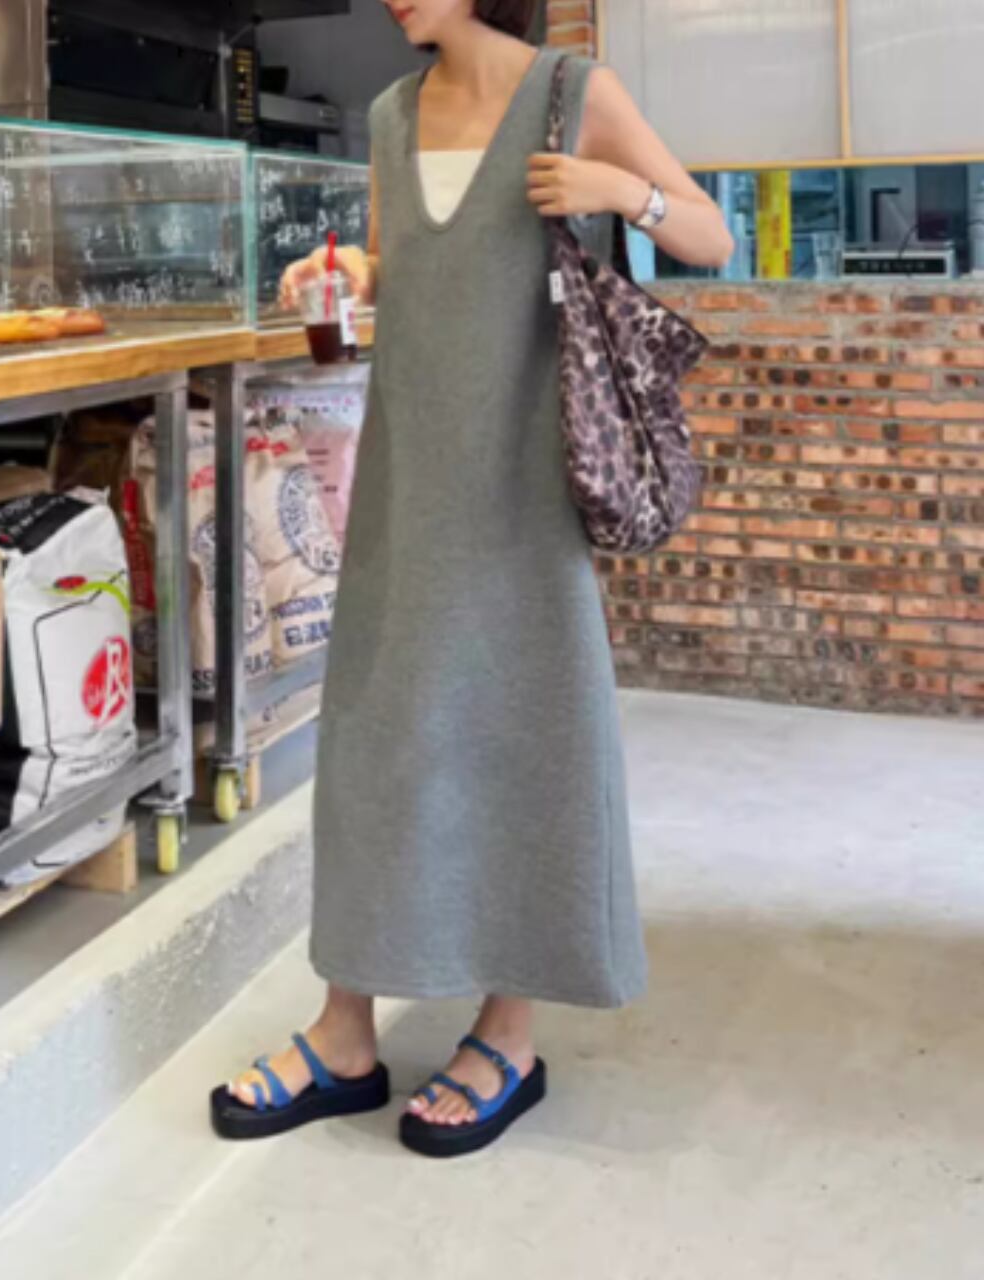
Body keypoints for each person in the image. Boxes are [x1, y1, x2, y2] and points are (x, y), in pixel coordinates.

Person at [211, 0, 733, 1158]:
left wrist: (618, 193)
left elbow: (710, 236)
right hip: (406, 472)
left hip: (526, 482)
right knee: (374, 735)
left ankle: (508, 1028)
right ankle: (345, 1028)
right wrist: (345, 269)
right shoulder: (390, 114)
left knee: (524, 730)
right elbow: (402, 269)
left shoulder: (573, 94)